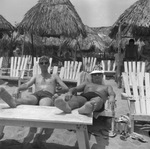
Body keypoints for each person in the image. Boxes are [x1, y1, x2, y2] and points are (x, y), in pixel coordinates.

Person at [0, 56, 69, 141]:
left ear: (49, 64)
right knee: (23, 100)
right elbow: (27, 85)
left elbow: (66, 88)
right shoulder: (36, 76)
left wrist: (58, 92)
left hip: (47, 95)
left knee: (43, 107)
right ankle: (11, 101)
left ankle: (38, 133)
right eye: (41, 63)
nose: (43, 64)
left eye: (46, 63)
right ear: (39, 65)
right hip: (36, 94)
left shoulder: (54, 76)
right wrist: (18, 88)